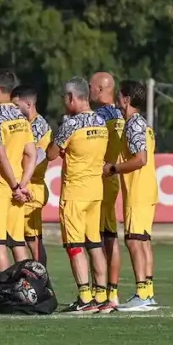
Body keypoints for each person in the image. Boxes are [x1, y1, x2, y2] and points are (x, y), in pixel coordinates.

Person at [46, 76, 110, 313]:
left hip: (75, 192)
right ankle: (101, 295)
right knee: (94, 244)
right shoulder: (101, 123)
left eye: (65, 97)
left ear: (72, 97)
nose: (64, 102)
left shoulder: (71, 125)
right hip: (95, 191)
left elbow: (52, 154)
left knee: (74, 246)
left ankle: (85, 297)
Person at [109, 81, 159, 311]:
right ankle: (148, 291)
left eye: (119, 95)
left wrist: (113, 168)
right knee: (144, 240)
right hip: (147, 188)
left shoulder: (132, 125)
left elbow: (141, 159)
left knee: (134, 240)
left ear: (127, 99)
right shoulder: (144, 124)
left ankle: (141, 293)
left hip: (138, 190)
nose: (117, 99)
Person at [0, 68, 35, 273]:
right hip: (18, 189)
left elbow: (0, 155)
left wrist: (14, 185)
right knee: (17, 242)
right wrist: (23, 184)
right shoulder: (21, 117)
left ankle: (5, 291)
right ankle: (27, 286)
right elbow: (30, 154)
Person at [91, 72, 123, 306]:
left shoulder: (99, 117)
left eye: (92, 87)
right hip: (112, 179)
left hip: (99, 179)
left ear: (101, 89)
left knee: (95, 239)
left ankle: (98, 292)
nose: (89, 91)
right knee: (110, 236)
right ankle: (112, 292)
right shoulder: (121, 114)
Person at [12, 85, 51, 267]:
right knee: (25, 238)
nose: (13, 110)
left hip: (32, 188)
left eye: (15, 105)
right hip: (26, 186)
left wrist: (21, 184)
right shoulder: (27, 124)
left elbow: (37, 157)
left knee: (33, 240)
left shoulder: (39, 126)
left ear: (28, 104)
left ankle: (40, 279)